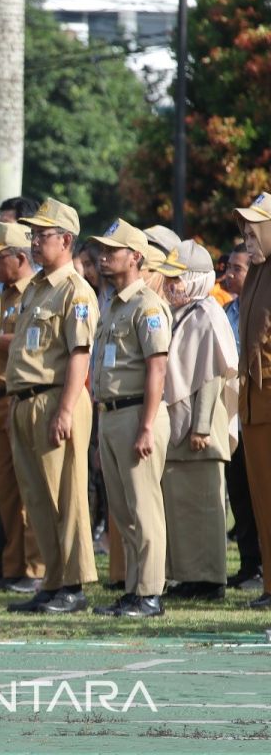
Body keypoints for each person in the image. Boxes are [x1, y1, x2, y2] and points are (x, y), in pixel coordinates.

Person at [4, 199, 100, 614]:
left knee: (67, 495)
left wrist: (64, 409)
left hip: (56, 397)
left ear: (66, 240)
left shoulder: (75, 290)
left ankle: (73, 585)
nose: (34, 243)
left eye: (42, 235)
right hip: (25, 398)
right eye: (32, 235)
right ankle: (54, 579)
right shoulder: (37, 288)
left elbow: (79, 353)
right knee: (37, 496)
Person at [88, 219, 172, 618]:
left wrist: (145, 426)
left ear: (135, 257)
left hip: (139, 411)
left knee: (144, 508)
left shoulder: (148, 305)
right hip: (112, 413)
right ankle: (134, 589)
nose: (104, 256)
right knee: (123, 511)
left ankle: (151, 593)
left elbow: (158, 368)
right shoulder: (113, 303)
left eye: (112, 250)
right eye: (102, 250)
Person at [154, 241, 238, 601]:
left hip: (199, 428)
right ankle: (188, 576)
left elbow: (212, 374)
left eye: (178, 278)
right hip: (179, 425)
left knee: (203, 505)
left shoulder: (207, 313)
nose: (171, 285)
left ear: (196, 279)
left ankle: (209, 579)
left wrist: (201, 425)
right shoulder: (182, 312)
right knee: (181, 504)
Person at [0, 221, 45, 595]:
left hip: (24, 395)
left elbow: (28, 341)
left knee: (31, 488)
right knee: (5, 490)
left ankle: (36, 567)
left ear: (20, 258)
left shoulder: (33, 293)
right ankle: (12, 565)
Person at [234, 191, 271, 610]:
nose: (247, 233)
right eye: (245, 225)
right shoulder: (257, 273)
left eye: (255, 225)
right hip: (253, 403)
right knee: (262, 501)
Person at [220, 247, 261, 589]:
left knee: (259, 488)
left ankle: (262, 565)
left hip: (257, 404)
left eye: (237, 268)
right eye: (228, 267)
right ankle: (249, 562)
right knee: (238, 487)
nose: (229, 274)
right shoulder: (225, 311)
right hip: (231, 410)